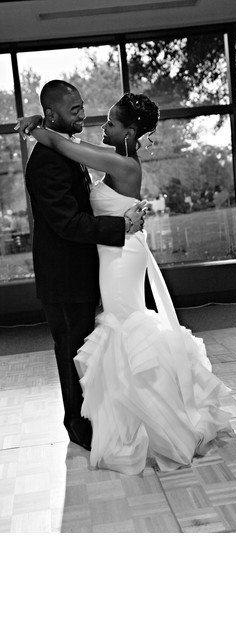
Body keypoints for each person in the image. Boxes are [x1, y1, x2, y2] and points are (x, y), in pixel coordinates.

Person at [18, 85, 232, 474]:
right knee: (97, 341)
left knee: (125, 331)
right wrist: (39, 127)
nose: (97, 121)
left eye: (110, 121)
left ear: (129, 133)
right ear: (54, 113)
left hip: (120, 255)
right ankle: (94, 421)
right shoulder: (75, 157)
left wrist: (37, 128)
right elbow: (67, 215)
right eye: (78, 110)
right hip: (99, 257)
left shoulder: (120, 163)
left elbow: (68, 151)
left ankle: (139, 418)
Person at [15, 81, 145, 453]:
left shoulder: (63, 149)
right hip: (64, 278)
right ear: (53, 113)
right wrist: (121, 226)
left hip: (81, 272)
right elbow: (68, 223)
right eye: (74, 110)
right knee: (71, 350)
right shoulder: (46, 161)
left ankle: (91, 412)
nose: (82, 114)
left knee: (84, 348)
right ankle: (77, 424)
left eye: (82, 106)